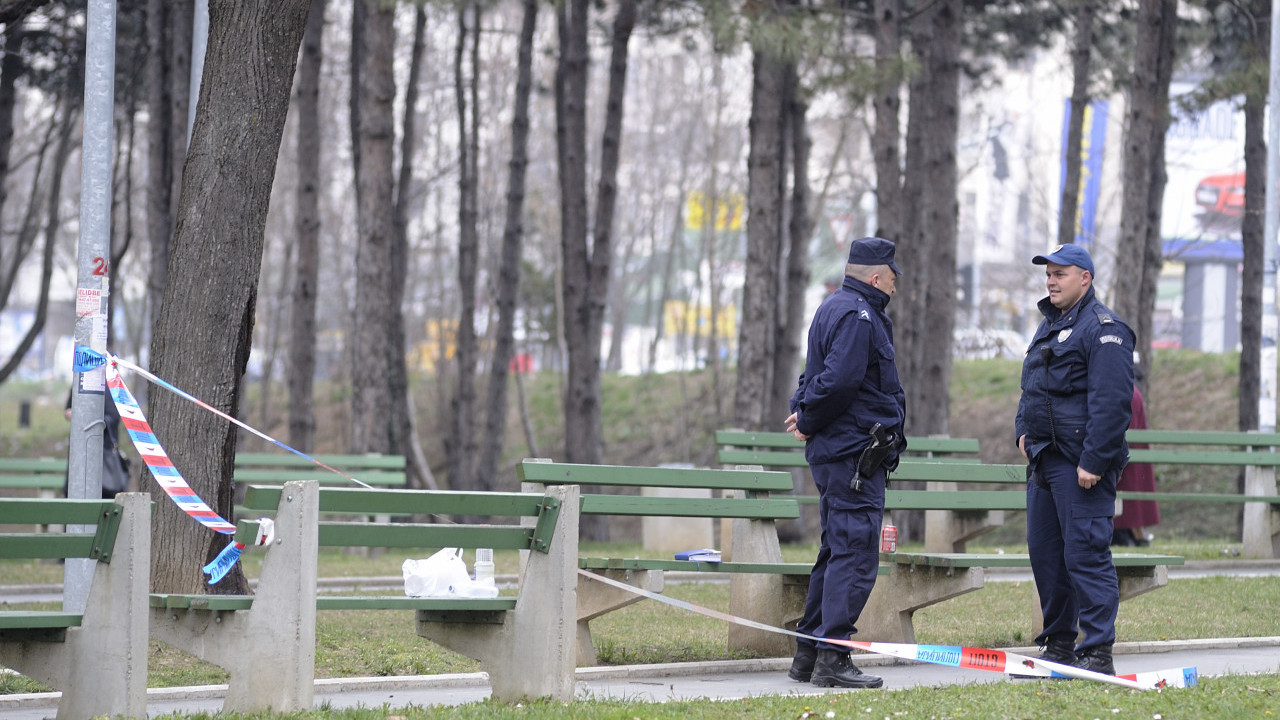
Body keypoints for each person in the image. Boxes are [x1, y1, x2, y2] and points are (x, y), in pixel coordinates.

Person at [783, 236, 906, 690]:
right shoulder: (859, 316)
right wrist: (811, 414)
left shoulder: (834, 307)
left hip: (842, 454)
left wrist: (804, 409)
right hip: (854, 455)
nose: (895, 285)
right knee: (854, 553)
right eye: (892, 276)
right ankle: (834, 656)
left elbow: (813, 373)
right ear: (876, 276)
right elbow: (837, 381)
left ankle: (809, 653)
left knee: (836, 550)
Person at [1015, 243, 1134, 676]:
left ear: (1085, 278)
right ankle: (1060, 644)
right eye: (1048, 273)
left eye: (1060, 273)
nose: (1051, 280)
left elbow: (1113, 404)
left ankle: (1097, 650)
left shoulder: (1105, 330)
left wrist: (1095, 461)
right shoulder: (1050, 325)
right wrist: (1021, 433)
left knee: (1085, 554)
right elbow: (1030, 386)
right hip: (1044, 461)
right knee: (1045, 554)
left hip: (1081, 465)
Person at [64, 391, 132, 499]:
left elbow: (113, 418)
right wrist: (71, 413)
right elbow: (68, 409)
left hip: (103, 451)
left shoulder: (110, 386)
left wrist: (86, 416)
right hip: (78, 452)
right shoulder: (79, 380)